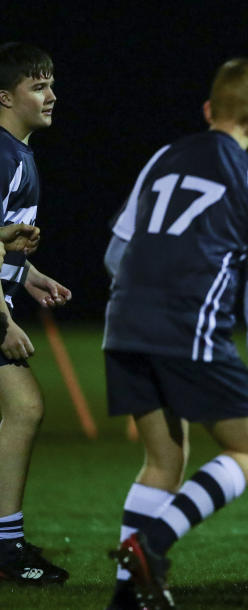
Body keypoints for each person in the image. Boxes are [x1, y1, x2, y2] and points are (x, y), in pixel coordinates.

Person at [104, 58, 248, 610]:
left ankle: (126, 596)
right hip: (188, 330)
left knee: (163, 461)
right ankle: (152, 544)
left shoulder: (163, 158)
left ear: (209, 110)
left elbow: (116, 252)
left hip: (124, 326)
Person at [0, 41, 71, 586]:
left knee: (22, 409)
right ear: (5, 96)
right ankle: (6, 546)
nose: (51, 95)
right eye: (38, 86)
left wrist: (28, 274)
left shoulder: (19, 153)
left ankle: (6, 542)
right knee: (24, 408)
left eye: (50, 83)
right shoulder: (3, 156)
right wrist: (0, 320)